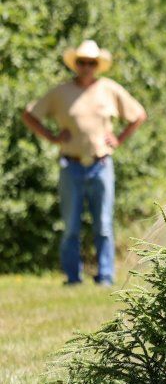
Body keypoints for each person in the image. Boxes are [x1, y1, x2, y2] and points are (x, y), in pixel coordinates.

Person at [22, 40, 147, 286]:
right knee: (70, 226)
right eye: (82, 62)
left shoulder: (109, 89)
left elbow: (138, 115)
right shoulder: (61, 92)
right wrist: (52, 137)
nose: (86, 67)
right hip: (72, 165)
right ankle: (72, 277)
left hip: (101, 164)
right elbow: (30, 114)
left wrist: (118, 139)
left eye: (91, 62)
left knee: (103, 224)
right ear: (75, 64)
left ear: (97, 65)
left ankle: (106, 276)